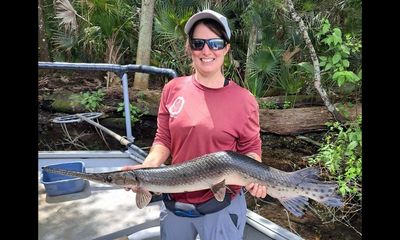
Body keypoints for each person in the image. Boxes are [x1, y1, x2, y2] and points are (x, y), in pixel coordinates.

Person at [123, 9, 267, 240]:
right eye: (198, 43)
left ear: (226, 48)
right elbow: (164, 139)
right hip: (175, 202)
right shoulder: (173, 89)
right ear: (190, 47)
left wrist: (256, 179)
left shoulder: (245, 100)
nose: (207, 50)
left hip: (221, 207)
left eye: (215, 43)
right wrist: (146, 170)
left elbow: (251, 150)